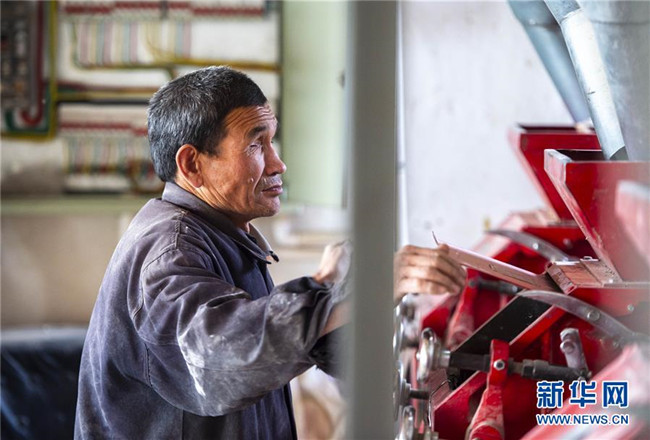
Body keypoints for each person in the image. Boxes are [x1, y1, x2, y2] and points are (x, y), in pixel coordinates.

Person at [74, 66, 465, 439]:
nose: (279, 164)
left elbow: (277, 347)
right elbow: (223, 358)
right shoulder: (168, 252)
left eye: (271, 141)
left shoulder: (220, 235)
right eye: (255, 144)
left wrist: (339, 295)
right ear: (192, 164)